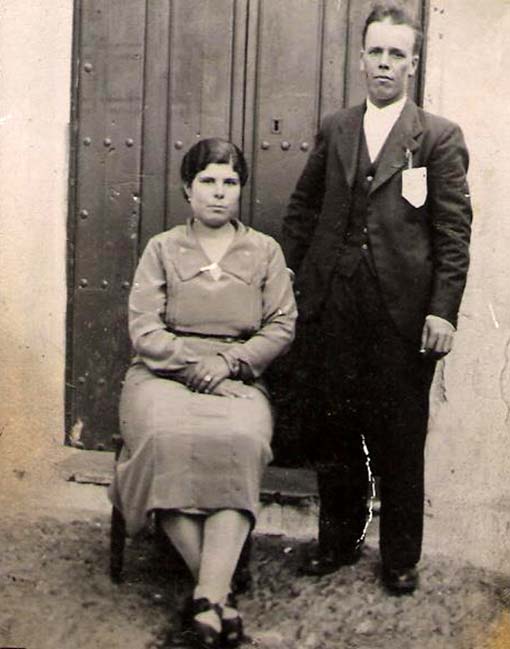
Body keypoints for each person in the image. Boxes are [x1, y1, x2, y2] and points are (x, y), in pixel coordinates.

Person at [282, 1, 472, 595]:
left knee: (399, 435)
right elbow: (303, 210)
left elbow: (452, 232)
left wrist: (442, 310)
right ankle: (339, 540)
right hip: (332, 308)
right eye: (376, 52)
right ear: (361, 59)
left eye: (397, 54)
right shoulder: (337, 127)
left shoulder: (437, 137)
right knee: (332, 430)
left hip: (401, 314)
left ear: (412, 64)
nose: (385, 64)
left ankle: (400, 556)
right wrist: (291, 281)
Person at [108, 138, 296, 647]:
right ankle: (218, 595)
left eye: (229, 182)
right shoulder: (162, 249)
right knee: (165, 439)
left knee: (242, 440)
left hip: (236, 377)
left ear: (241, 191)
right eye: (208, 181)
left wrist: (229, 361)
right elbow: (144, 329)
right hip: (162, 376)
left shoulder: (264, 252)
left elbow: (281, 325)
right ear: (188, 189)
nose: (219, 193)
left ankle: (206, 598)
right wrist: (195, 363)